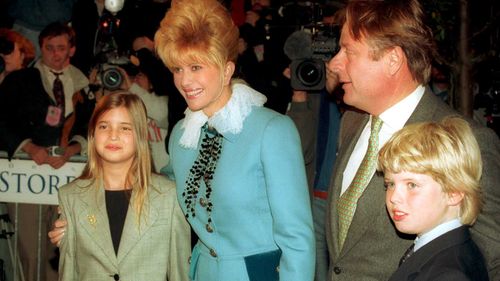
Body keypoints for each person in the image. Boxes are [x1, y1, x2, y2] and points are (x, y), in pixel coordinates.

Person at [325, 0, 500, 280]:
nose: (334, 64)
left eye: (348, 51)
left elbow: (492, 261)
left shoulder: (466, 140)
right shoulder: (351, 123)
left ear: (393, 60)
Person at [155, 0, 314, 280]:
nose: (184, 81)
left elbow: (297, 239)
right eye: (177, 69)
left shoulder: (272, 130)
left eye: (196, 67)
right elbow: (161, 188)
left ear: (227, 70)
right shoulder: (182, 132)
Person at [57, 92, 190, 281]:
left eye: (125, 128)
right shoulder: (70, 196)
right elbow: (68, 273)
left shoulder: (169, 196)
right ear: (93, 134)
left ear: (141, 135)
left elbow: (180, 272)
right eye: (104, 126)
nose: (113, 135)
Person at [378, 117, 489, 281]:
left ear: (454, 192)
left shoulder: (449, 275)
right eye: (390, 184)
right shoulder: (445, 247)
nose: (394, 197)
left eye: (412, 185)